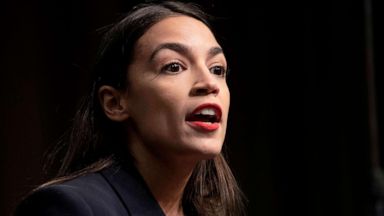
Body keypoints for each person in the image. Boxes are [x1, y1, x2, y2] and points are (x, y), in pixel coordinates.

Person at [14, 1, 246, 215]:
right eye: (174, 66)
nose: (209, 84)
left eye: (217, 69)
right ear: (115, 103)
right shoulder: (69, 207)